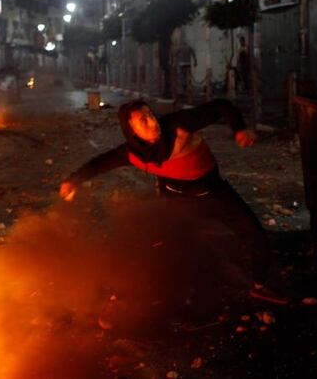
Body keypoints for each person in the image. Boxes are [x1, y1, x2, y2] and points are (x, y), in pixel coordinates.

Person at [59, 99, 289, 305]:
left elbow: (221, 106)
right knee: (158, 243)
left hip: (213, 190)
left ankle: (260, 286)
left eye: (150, 114)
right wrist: (73, 181)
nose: (152, 121)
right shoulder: (131, 153)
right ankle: (136, 291)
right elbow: (99, 163)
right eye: (143, 120)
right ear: (132, 130)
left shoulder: (179, 124)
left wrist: (239, 129)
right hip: (174, 195)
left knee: (255, 234)